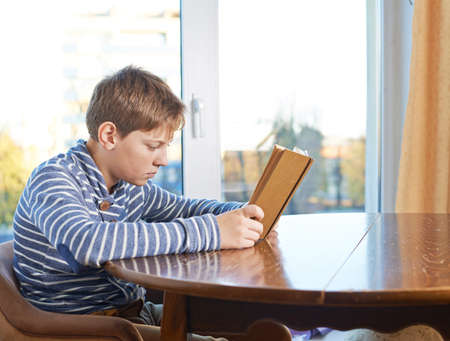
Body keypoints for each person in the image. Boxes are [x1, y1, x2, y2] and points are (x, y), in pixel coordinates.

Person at [12, 65, 265, 341]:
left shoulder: (129, 187)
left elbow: (186, 209)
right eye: (153, 146)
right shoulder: (53, 179)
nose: (163, 160)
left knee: (252, 326)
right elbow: (87, 242)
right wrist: (212, 231)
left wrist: (241, 215)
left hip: (133, 312)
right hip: (86, 328)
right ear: (110, 135)